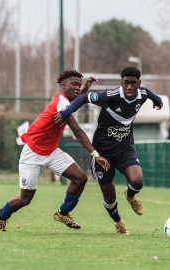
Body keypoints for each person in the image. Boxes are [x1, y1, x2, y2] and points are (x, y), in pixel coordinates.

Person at [0, 70, 110, 232]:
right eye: (74, 84)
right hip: (33, 154)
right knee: (25, 199)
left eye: (79, 85)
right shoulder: (61, 103)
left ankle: (63, 213)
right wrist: (96, 155)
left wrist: (85, 89)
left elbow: (75, 102)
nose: (77, 88)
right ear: (63, 86)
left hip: (51, 152)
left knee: (80, 178)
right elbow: (77, 132)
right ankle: (1, 214)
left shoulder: (65, 102)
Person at [54, 67, 163, 235]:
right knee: (109, 196)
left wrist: (157, 100)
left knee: (137, 181)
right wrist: (66, 112)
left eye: (133, 83)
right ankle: (118, 221)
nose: (129, 87)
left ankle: (131, 194)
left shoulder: (141, 94)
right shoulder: (109, 96)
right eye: (125, 83)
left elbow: (147, 93)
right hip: (102, 153)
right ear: (121, 83)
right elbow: (83, 98)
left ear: (138, 84)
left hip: (125, 148)